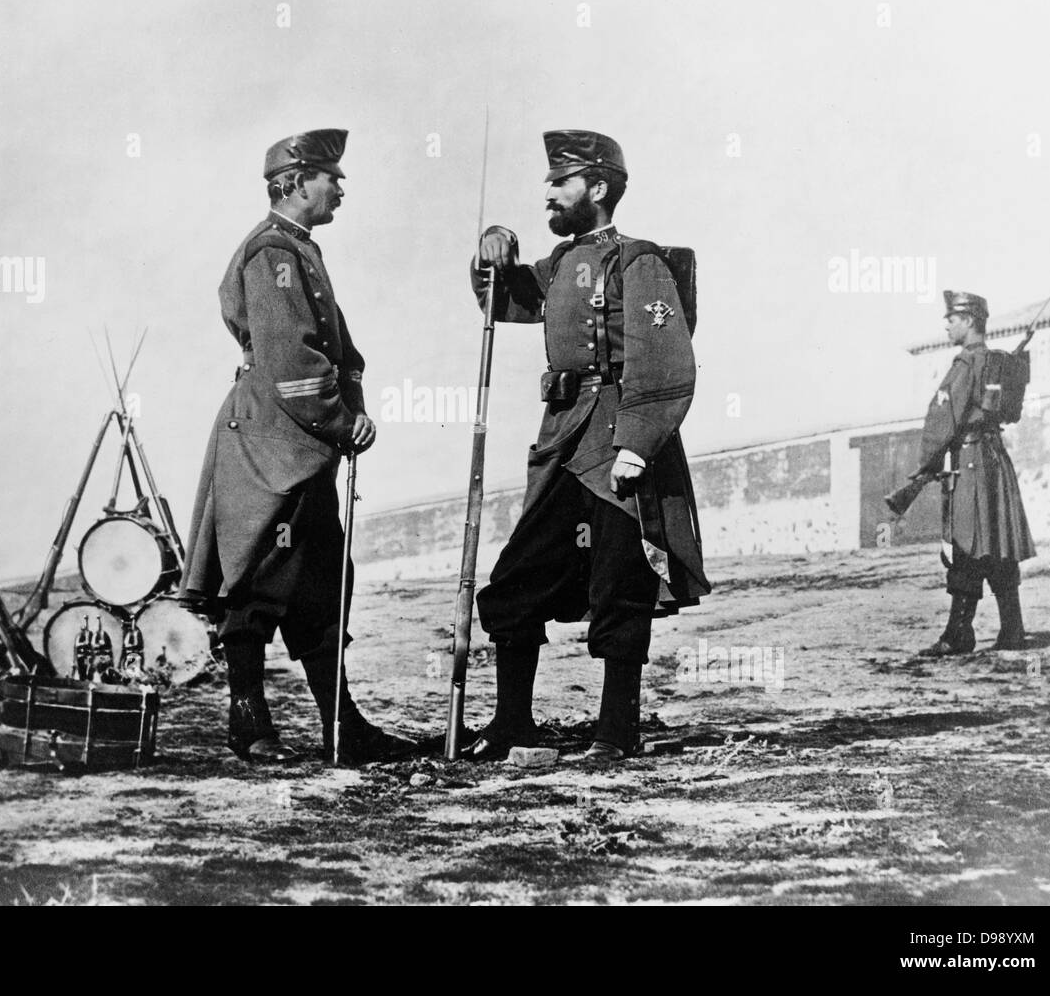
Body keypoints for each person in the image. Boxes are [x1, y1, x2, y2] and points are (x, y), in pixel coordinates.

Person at [464, 129, 710, 764]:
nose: (548, 193)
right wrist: (492, 251)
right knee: (518, 578)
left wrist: (637, 443)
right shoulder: (561, 264)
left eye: (560, 182)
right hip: (562, 441)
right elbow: (506, 297)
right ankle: (512, 722)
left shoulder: (638, 260)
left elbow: (664, 360)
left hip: (615, 443)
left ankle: (616, 730)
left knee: (619, 583)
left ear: (597, 189)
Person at [180, 128, 414, 764]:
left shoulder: (298, 250)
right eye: (330, 176)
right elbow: (291, 361)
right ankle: (249, 726)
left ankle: (343, 727)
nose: (340, 187)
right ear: (297, 181)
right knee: (258, 579)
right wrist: (343, 423)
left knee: (317, 580)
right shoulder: (273, 253)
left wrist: (347, 409)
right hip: (273, 442)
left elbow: (338, 350)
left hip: (296, 441)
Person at [914, 291, 1035, 656]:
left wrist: (925, 465)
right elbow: (1011, 412)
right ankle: (1012, 631)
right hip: (995, 462)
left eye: (952, 318)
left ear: (968, 320)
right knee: (997, 544)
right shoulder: (1002, 363)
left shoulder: (966, 364)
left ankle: (958, 635)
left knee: (966, 545)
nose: (948, 324)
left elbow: (941, 420)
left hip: (968, 461)